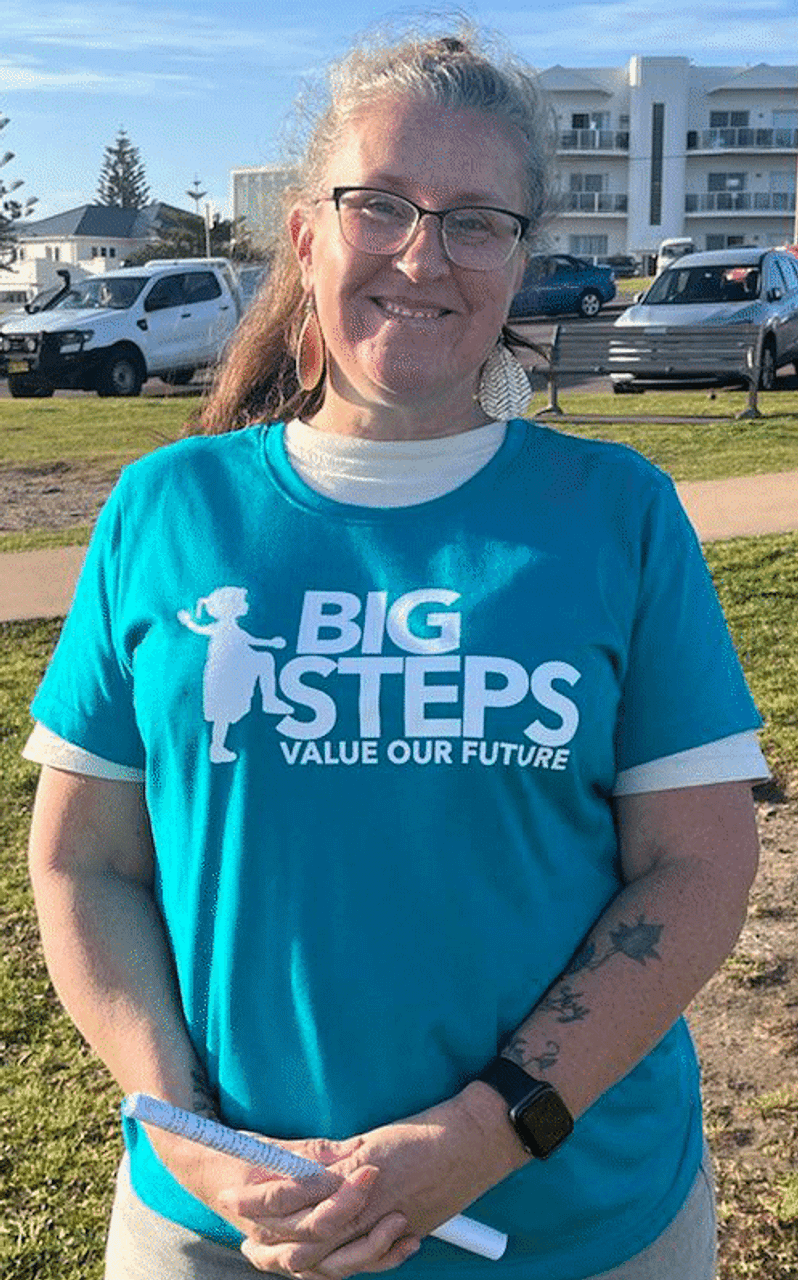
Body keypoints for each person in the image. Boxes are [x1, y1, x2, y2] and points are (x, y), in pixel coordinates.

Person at [25, 24, 769, 1280]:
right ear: (306, 235)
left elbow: (698, 863)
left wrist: (489, 1128)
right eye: (380, 205)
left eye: (476, 221)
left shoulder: (618, 513)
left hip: (571, 1228)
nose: (424, 255)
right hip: (220, 1227)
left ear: (520, 260)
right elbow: (81, 860)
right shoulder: (167, 508)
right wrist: (190, 1133)